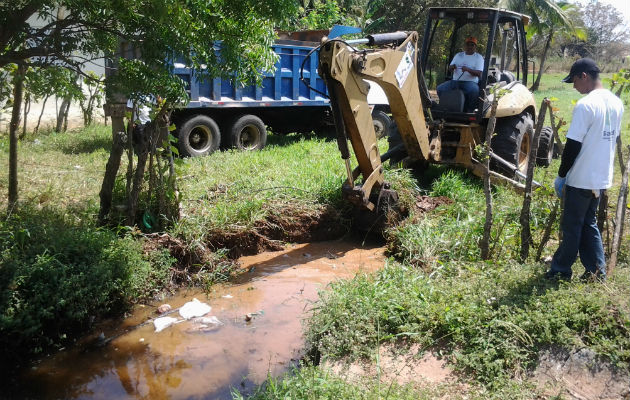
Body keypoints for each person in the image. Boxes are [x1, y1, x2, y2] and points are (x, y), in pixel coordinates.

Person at [545, 58, 624, 282]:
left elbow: (573, 145)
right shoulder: (616, 103)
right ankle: (596, 272)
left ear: (584, 76)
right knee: (588, 223)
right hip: (600, 177)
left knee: (572, 226)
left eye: (574, 81)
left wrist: (561, 176)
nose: (574, 87)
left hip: (581, 177)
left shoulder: (586, 105)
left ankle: (560, 271)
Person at [436, 36, 484, 112]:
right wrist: (452, 67)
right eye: (468, 44)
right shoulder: (459, 55)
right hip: (455, 81)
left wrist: (468, 69)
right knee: (440, 89)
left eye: (472, 45)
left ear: (475, 47)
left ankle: (470, 111)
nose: (470, 46)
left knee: (474, 91)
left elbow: (479, 73)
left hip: (470, 83)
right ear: (465, 46)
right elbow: (450, 67)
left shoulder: (478, 57)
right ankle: (445, 107)